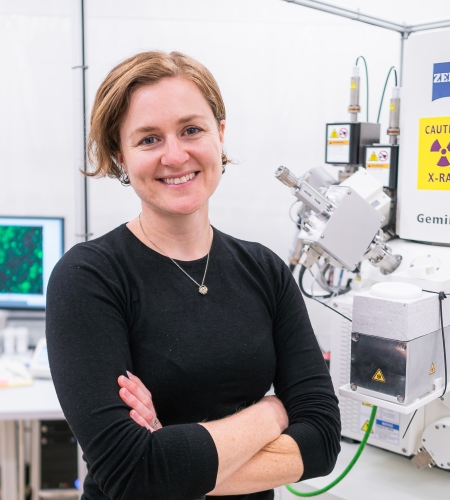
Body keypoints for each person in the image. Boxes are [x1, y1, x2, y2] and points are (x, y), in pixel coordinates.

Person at [46, 50, 340, 500]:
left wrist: (171, 456)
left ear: (220, 136)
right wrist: (273, 413)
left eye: (191, 130)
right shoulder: (88, 278)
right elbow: (135, 474)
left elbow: (321, 441)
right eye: (148, 139)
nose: (175, 154)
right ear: (119, 155)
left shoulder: (265, 271)